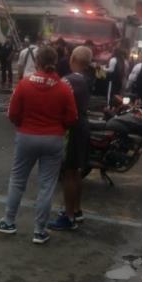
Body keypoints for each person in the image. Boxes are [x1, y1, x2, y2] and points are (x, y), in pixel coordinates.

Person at [0, 46, 78, 244]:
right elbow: (72, 117)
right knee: (47, 185)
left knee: (18, 179)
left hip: (26, 137)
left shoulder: (24, 84)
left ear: (36, 61)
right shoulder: (64, 87)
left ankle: (9, 221)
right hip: (53, 139)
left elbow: (12, 113)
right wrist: (58, 127)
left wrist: (23, 125)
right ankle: (39, 231)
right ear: (55, 61)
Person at [48, 46, 93, 231]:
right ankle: (76, 211)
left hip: (72, 129)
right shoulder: (85, 79)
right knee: (76, 173)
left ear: (73, 58)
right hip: (82, 126)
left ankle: (68, 217)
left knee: (68, 173)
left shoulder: (69, 80)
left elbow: (54, 99)